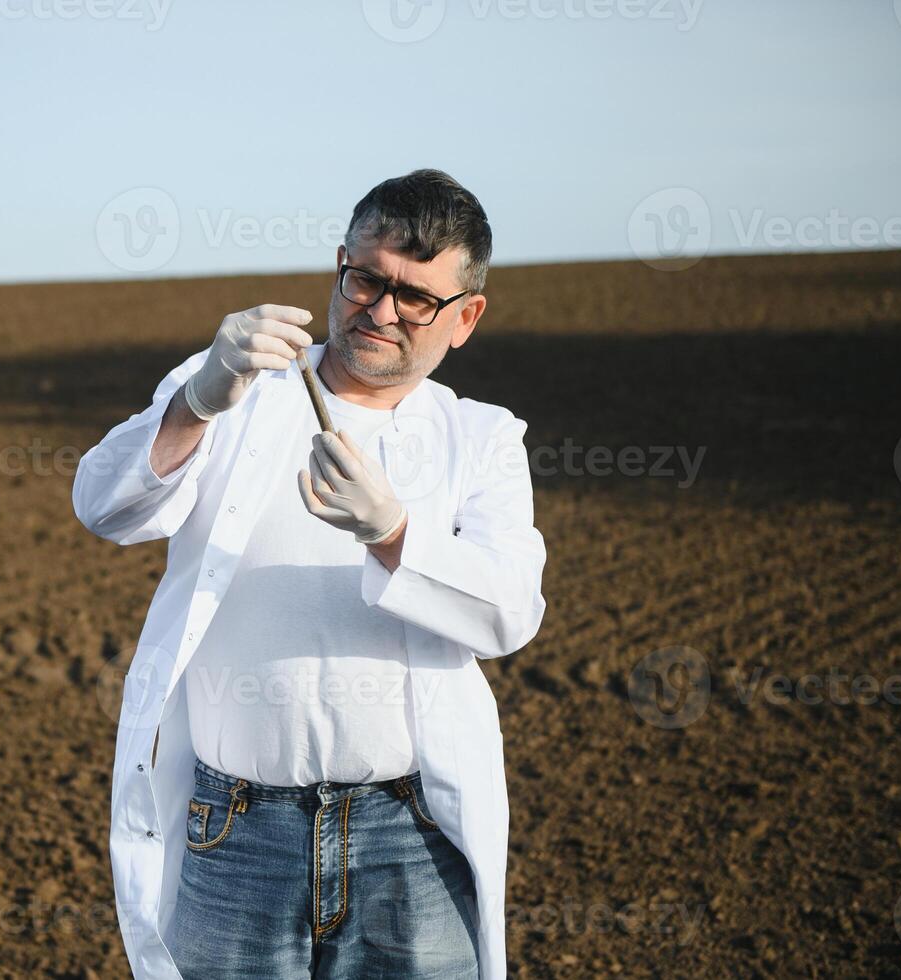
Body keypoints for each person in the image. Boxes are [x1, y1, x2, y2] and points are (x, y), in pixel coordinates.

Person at [72, 169, 547, 979]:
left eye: (416, 298)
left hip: (411, 838)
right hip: (235, 833)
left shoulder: (481, 437)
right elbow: (105, 506)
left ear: (465, 317)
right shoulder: (238, 388)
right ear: (339, 266)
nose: (382, 310)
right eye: (367, 279)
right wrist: (198, 399)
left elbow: (508, 615)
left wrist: (395, 533)